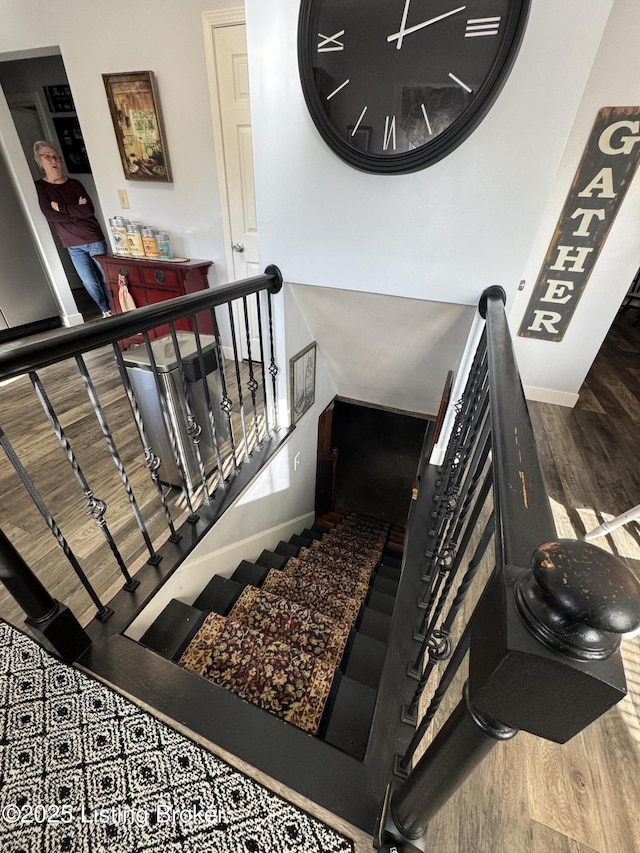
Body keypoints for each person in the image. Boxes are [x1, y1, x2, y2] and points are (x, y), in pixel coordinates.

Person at [33, 140, 112, 317]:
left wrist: (60, 207)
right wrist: (76, 211)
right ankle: (105, 309)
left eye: (56, 157)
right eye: (47, 157)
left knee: (106, 277)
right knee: (89, 282)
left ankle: (115, 309)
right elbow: (49, 214)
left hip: (93, 238)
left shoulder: (74, 184)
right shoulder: (40, 187)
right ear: (40, 161)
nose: (53, 161)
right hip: (72, 244)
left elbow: (88, 210)